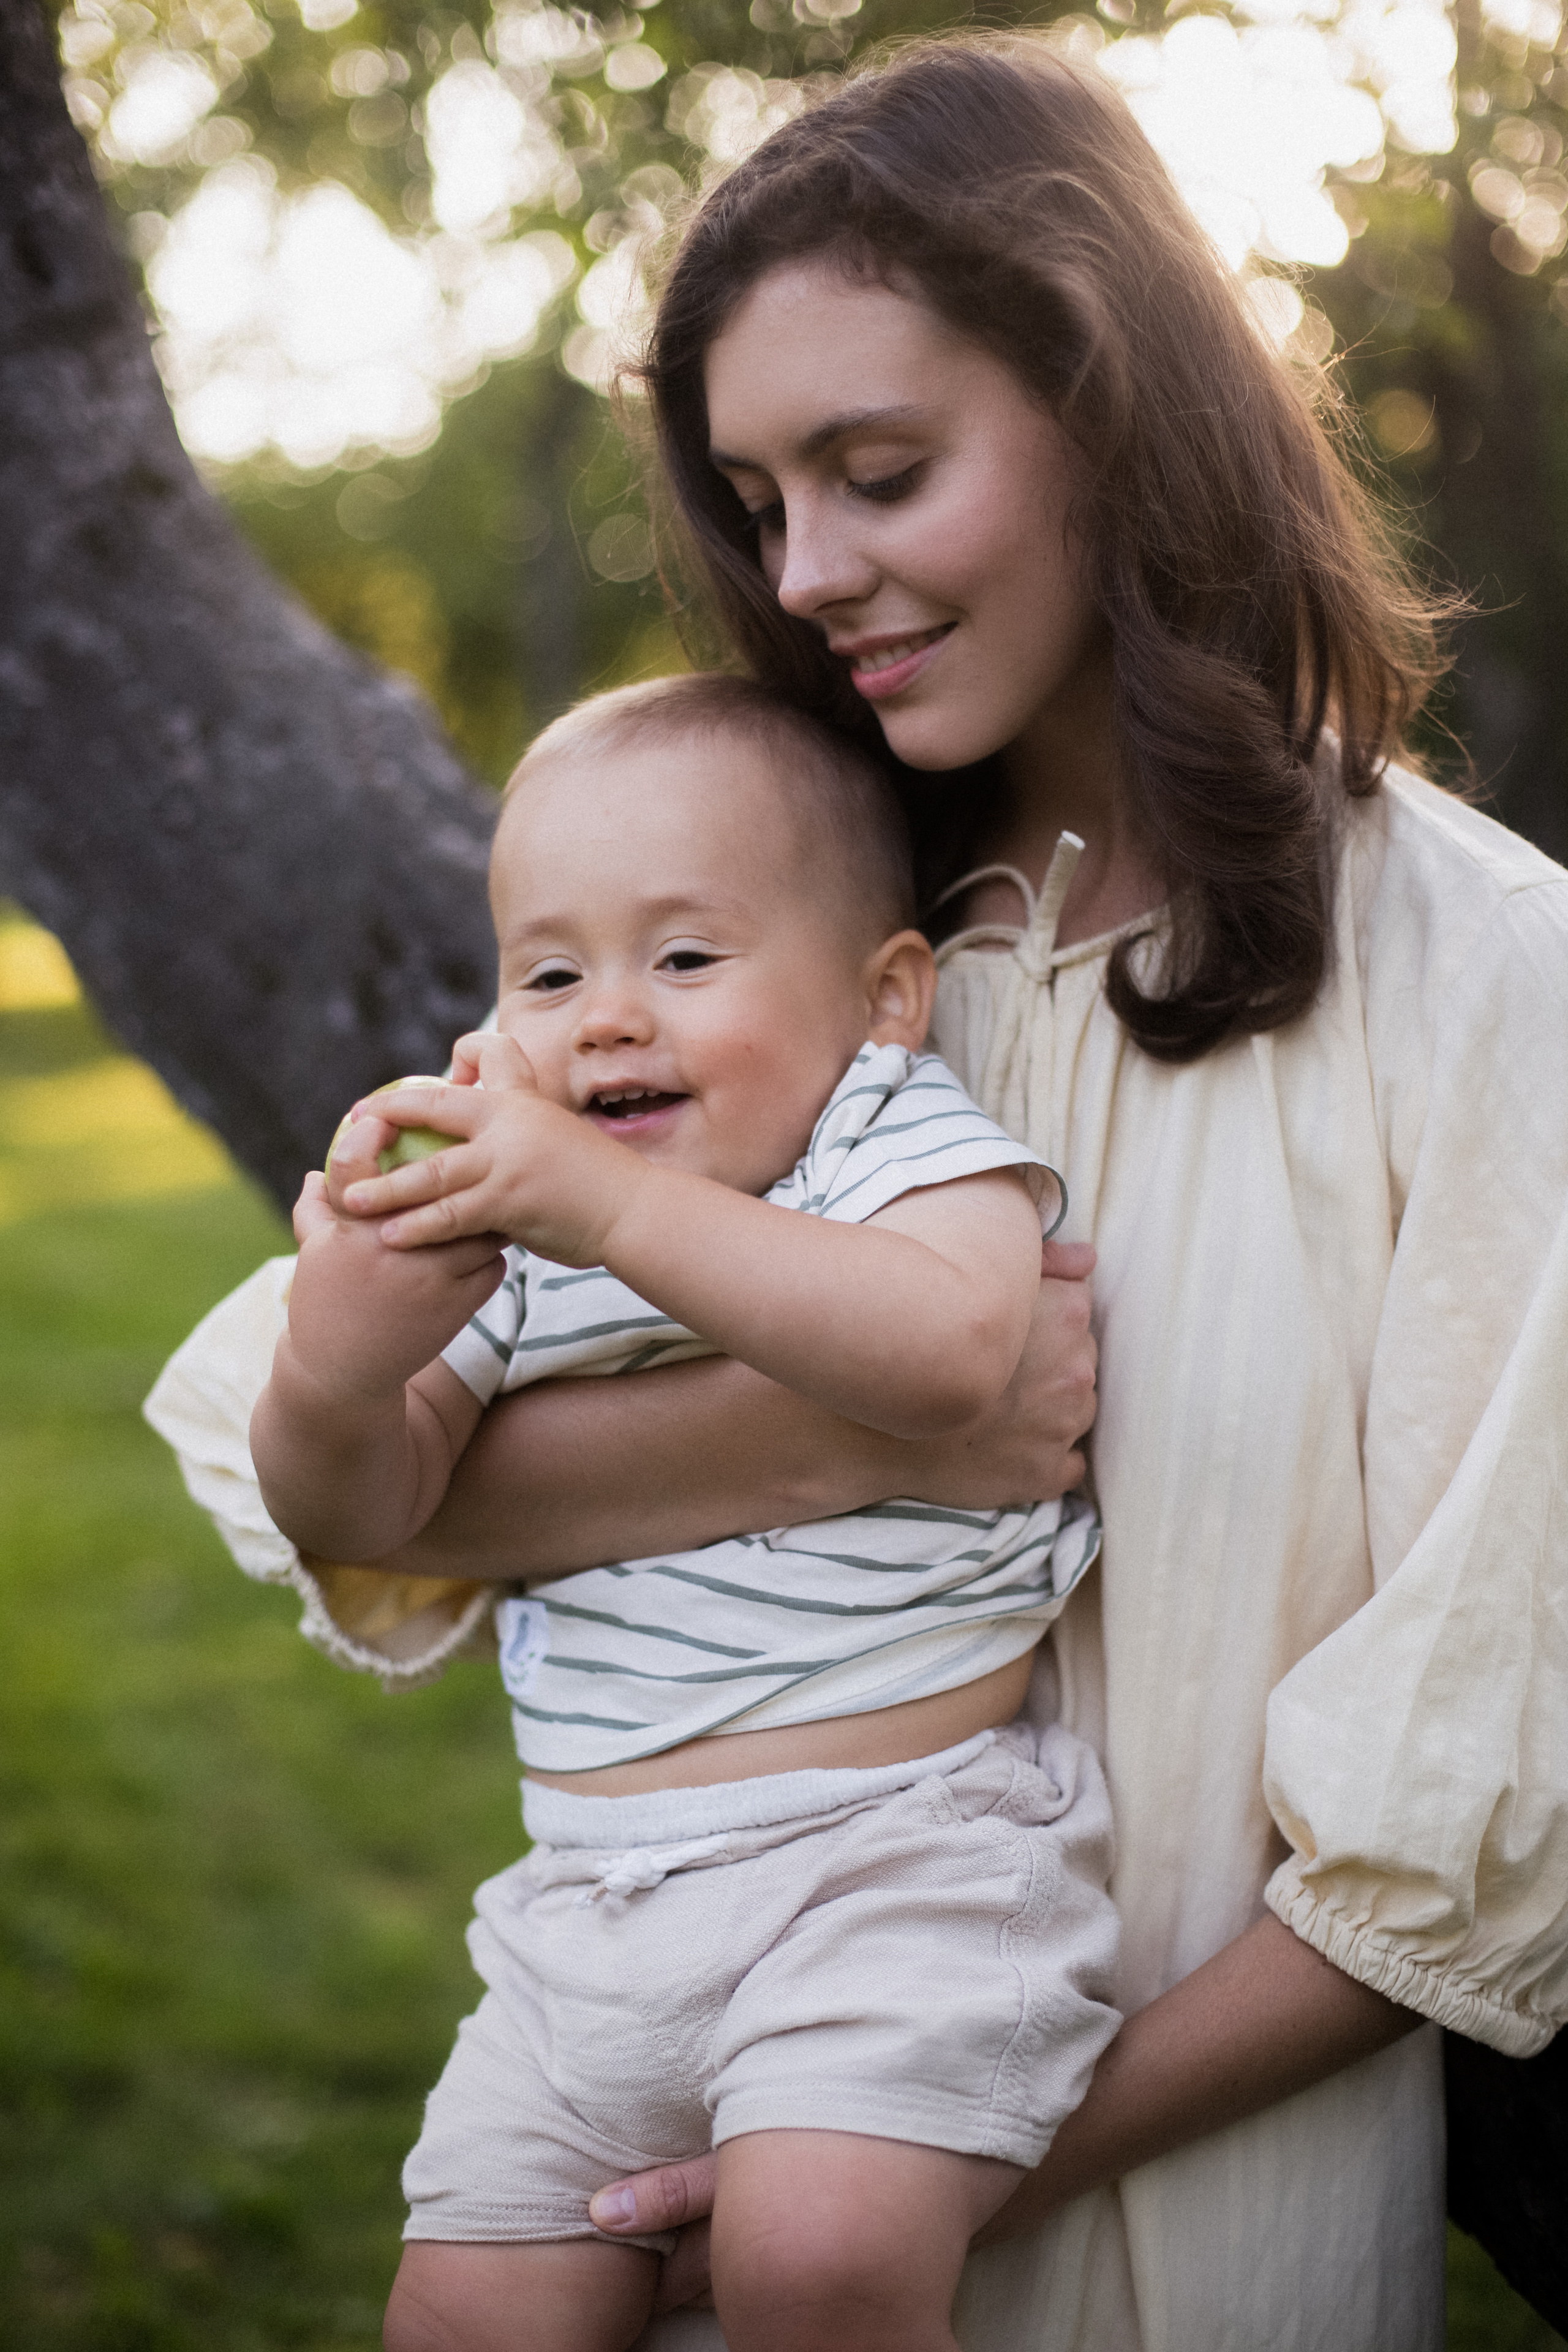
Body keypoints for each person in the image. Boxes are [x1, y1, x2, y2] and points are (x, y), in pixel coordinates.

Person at [143, 31, 1568, 2352]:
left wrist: (909, 2168)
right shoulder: (771, 942)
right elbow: (356, 1482)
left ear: (1115, 411)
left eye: (878, 473)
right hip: (689, 2147)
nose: (806, 575)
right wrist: (860, 1426)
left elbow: (1457, 1853)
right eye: (757, 498)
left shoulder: (1485, 984)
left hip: (1111, 2228)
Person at [246, 672, 1121, 2352]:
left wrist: (611, 1203)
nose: (606, 1018)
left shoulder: (879, 1139)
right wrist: (341, 1366)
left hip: (893, 1871)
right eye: (551, 974)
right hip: (585, 1916)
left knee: (823, 2266)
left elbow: (953, 1355)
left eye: (686, 959)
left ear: (885, 998)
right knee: (457, 2316)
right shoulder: (511, 1226)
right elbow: (367, 1505)